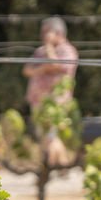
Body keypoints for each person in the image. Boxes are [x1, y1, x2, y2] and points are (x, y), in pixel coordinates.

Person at [22, 16, 79, 165]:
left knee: (52, 135)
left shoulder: (67, 50)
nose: (43, 36)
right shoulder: (39, 51)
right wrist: (43, 68)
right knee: (45, 136)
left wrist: (49, 47)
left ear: (59, 33)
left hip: (56, 103)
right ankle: (54, 166)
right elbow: (27, 70)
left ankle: (59, 165)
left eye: (46, 32)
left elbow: (55, 64)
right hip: (38, 101)